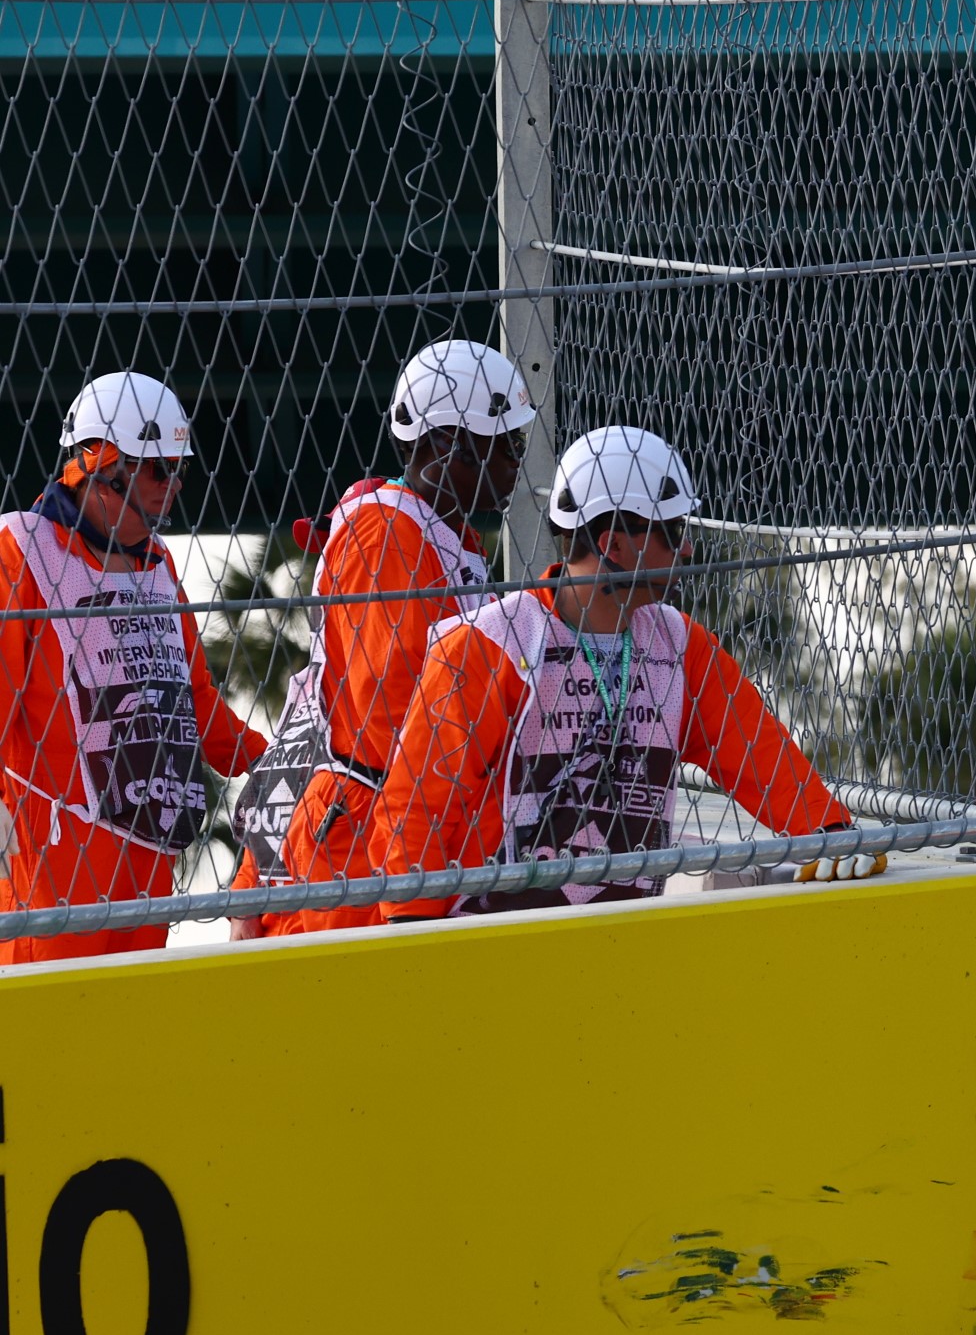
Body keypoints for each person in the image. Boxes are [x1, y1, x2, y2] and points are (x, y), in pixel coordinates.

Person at [365, 425, 880, 921]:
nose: (687, 550)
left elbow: (757, 752)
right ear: (613, 544)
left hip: (624, 942)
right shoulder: (488, 644)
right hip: (492, 943)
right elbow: (417, 805)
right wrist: (413, 936)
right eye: (672, 532)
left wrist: (828, 829)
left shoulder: (680, 645)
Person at [229, 340, 532, 936]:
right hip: (366, 836)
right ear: (449, 446)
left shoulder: (439, 538)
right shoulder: (391, 536)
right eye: (507, 445)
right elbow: (391, 718)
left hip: (396, 826)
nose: (519, 462)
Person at [0, 373, 268, 963]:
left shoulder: (158, 564)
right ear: (100, 461)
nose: (171, 487)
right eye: (156, 470)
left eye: (179, 470)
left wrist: (274, 761)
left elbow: (192, 699)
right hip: (52, 875)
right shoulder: (21, 549)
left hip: (148, 867)